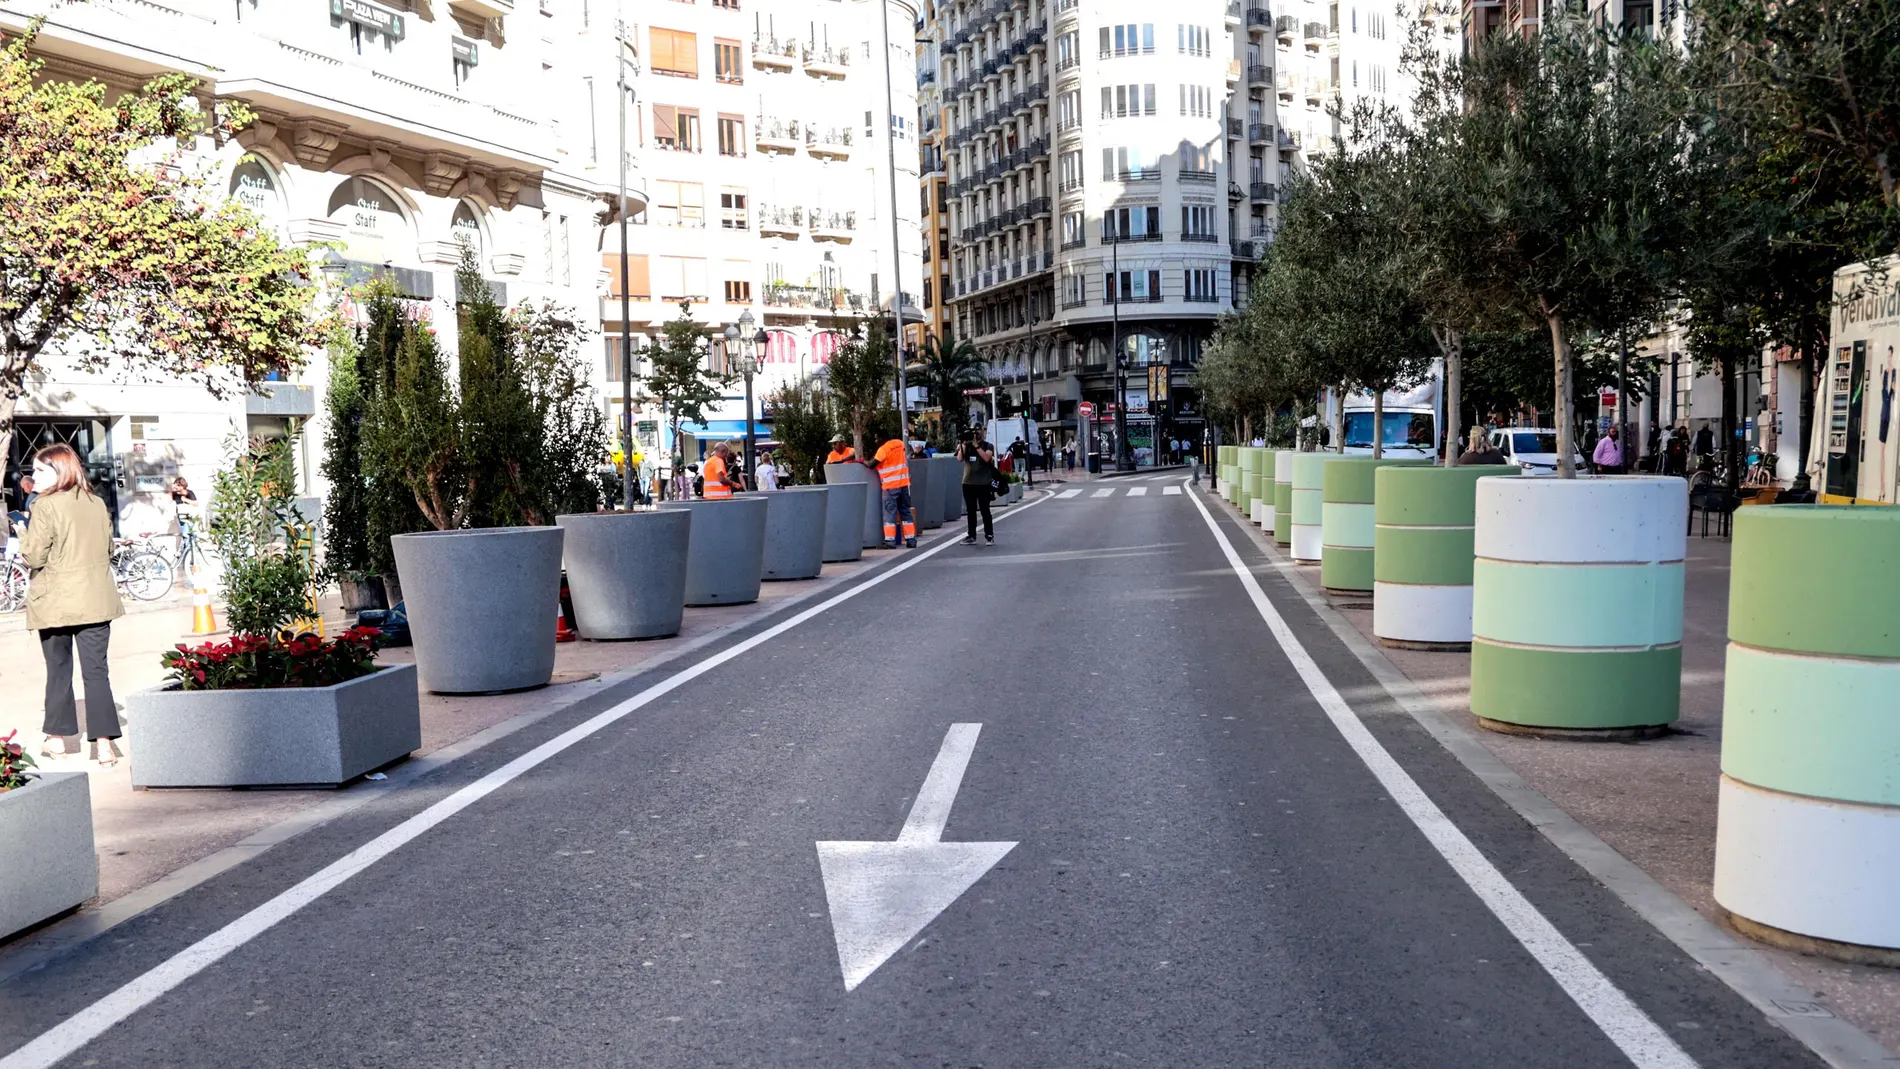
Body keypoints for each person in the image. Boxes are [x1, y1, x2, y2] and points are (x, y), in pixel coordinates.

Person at [21, 444, 124, 766]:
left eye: (39, 469)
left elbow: (33, 556)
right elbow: (106, 550)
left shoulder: (44, 506)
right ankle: (104, 746)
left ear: (59, 470)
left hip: (55, 601)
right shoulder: (96, 503)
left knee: (59, 671)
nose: (32, 476)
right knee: (96, 674)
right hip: (95, 598)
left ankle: (57, 740)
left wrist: (22, 531)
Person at [866, 433, 917, 548]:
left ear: (882, 438)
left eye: (876, 438)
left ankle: (890, 541)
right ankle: (911, 540)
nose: (875, 441)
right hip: (903, 484)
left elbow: (871, 464)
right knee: (906, 512)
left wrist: (863, 461)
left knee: (890, 513)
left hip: (890, 487)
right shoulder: (899, 443)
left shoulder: (882, 450)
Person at [957, 431, 997, 546]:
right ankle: (971, 535)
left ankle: (989, 535)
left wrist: (977, 446)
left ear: (982, 433)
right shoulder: (967, 445)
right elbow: (959, 458)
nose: (976, 435)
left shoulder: (987, 445)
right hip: (968, 483)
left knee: (985, 510)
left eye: (978, 433)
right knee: (971, 511)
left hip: (983, 483)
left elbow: (986, 458)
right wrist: (964, 443)